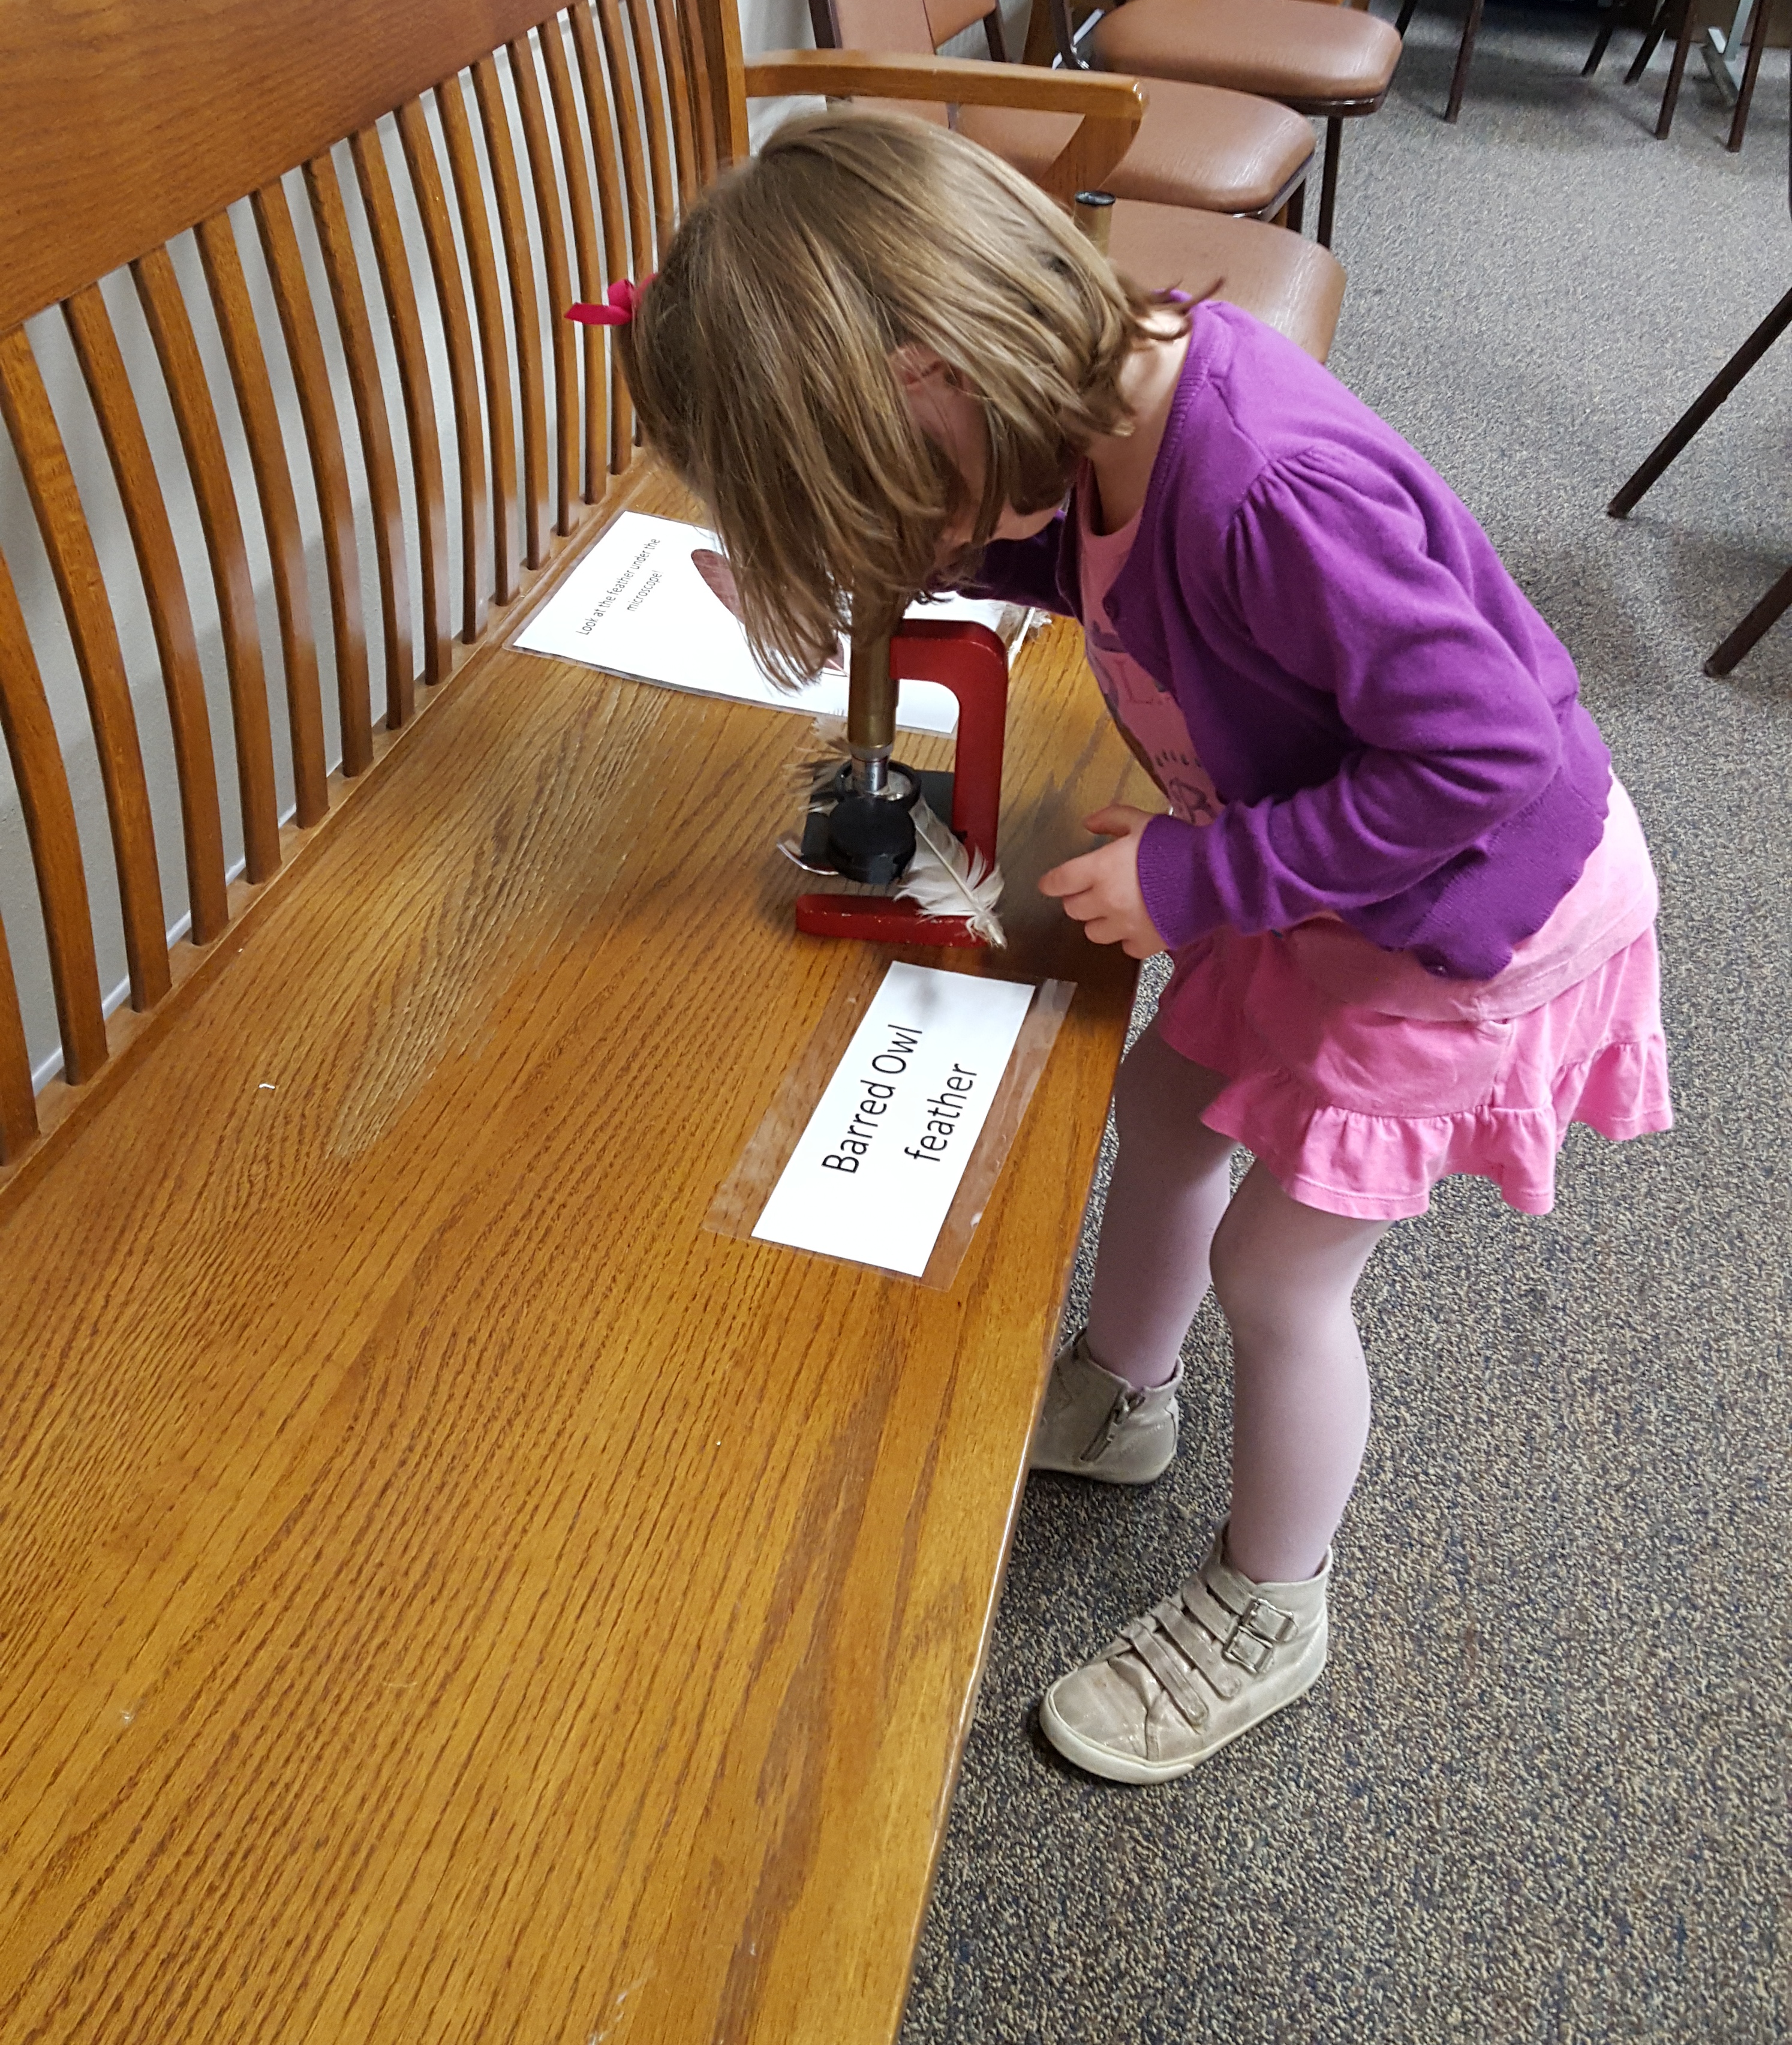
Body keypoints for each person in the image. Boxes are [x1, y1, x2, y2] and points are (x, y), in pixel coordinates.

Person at [615, 112, 1671, 1787]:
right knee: (1168, 1106)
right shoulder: (1117, 407)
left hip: (1465, 922)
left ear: (930, 373)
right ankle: (1123, 1390)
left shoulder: (1264, 488)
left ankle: (1272, 1597)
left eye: (878, 477)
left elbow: (1486, 762)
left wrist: (1205, 876)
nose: (899, 518)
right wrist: (895, 553)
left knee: (1280, 1272)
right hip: (1318, 870)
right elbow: (1072, 550)